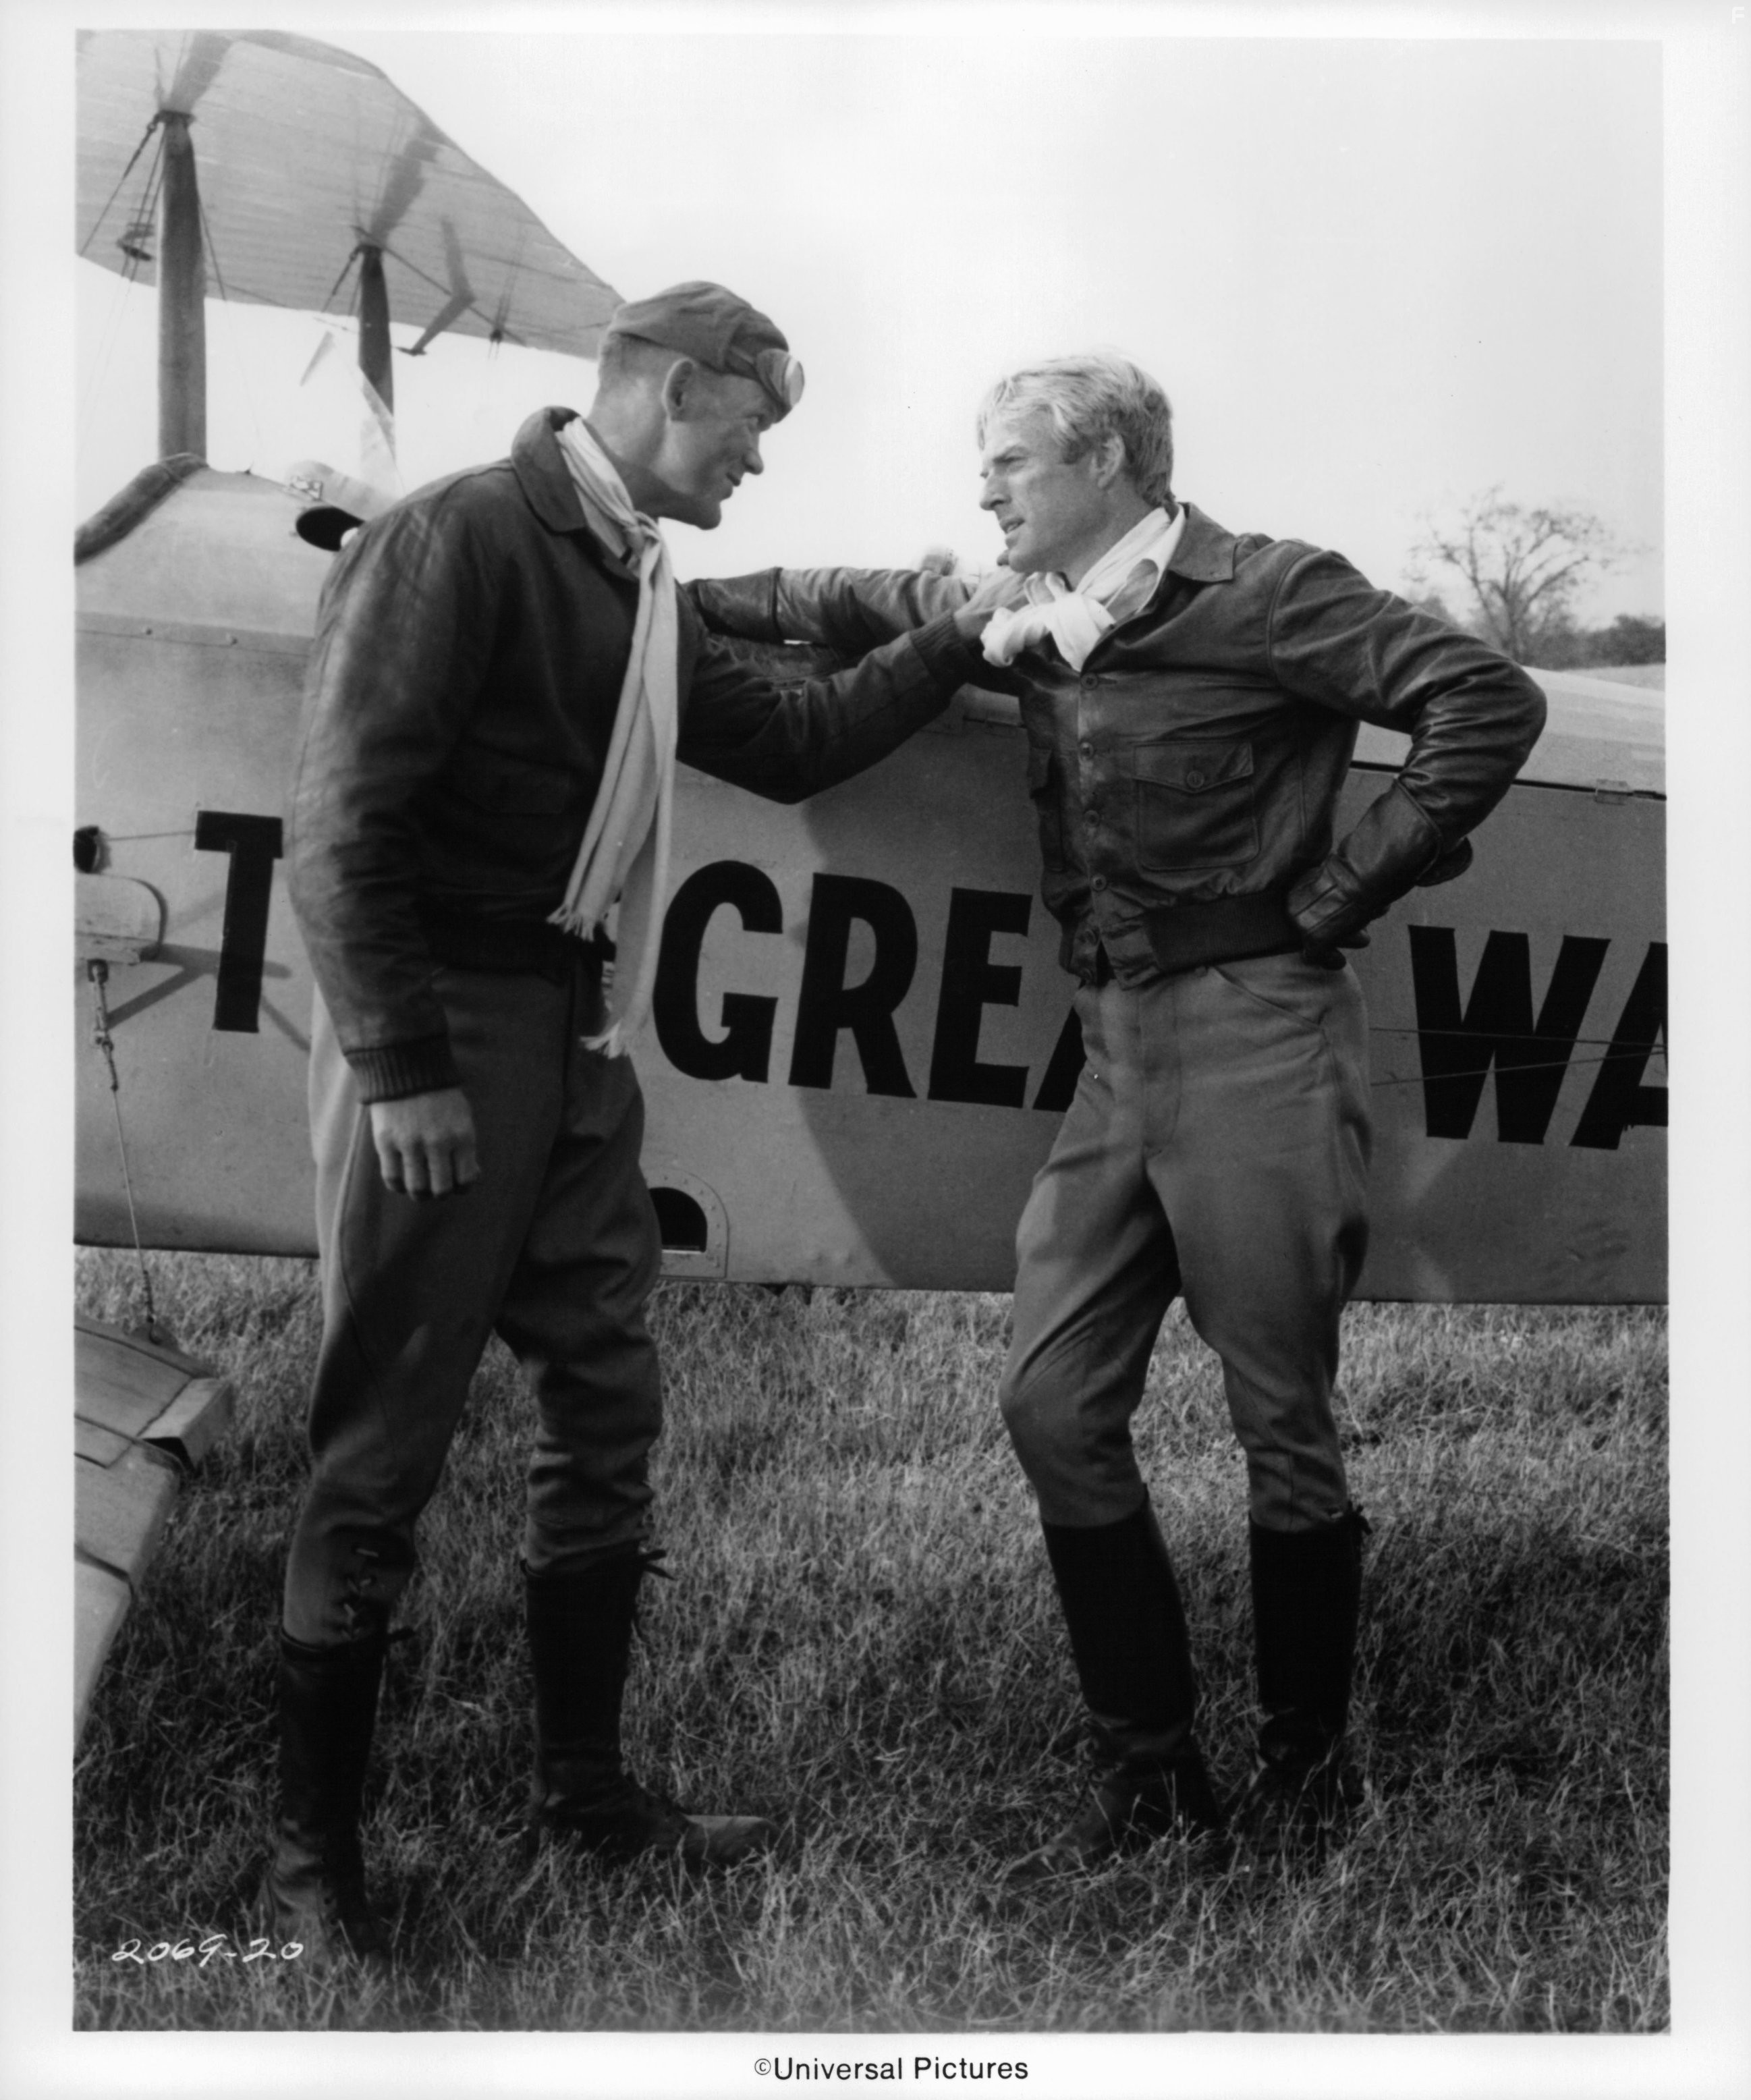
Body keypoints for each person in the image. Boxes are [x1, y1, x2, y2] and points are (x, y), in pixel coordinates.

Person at [690, 352, 1546, 1881]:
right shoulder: (1032, 613)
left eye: (1009, 462)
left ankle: (1302, 1771)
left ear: (1110, 467)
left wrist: (1338, 892)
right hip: (1111, 1050)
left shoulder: (1264, 589)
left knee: (1277, 1416)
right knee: (1048, 1404)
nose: (982, 489)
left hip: (1257, 1038)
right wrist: (658, 597)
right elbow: (846, 593)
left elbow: (1482, 697)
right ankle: (1151, 1771)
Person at [271, 282, 999, 1965]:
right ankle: (309, 1867)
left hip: (572, 1030)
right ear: (675, 389)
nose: (759, 459)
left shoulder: (633, 582)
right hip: (443, 1028)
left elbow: (794, 738)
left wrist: (956, 633)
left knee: (605, 1395)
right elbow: (339, 818)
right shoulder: (458, 540)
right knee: (382, 1438)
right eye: (755, 423)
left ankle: (585, 1793)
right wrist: (398, 1065)